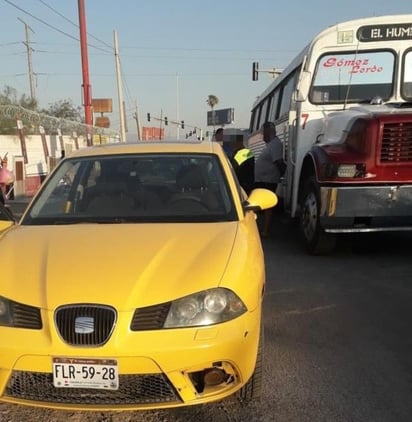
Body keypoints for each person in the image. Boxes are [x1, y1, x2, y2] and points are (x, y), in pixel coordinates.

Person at [254, 121, 286, 237]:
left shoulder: (276, 144)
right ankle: (260, 228)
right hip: (263, 180)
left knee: (267, 206)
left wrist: (284, 175)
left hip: (268, 180)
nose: (263, 136)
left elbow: (279, 162)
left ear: (270, 132)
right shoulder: (271, 145)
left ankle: (266, 230)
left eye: (264, 133)